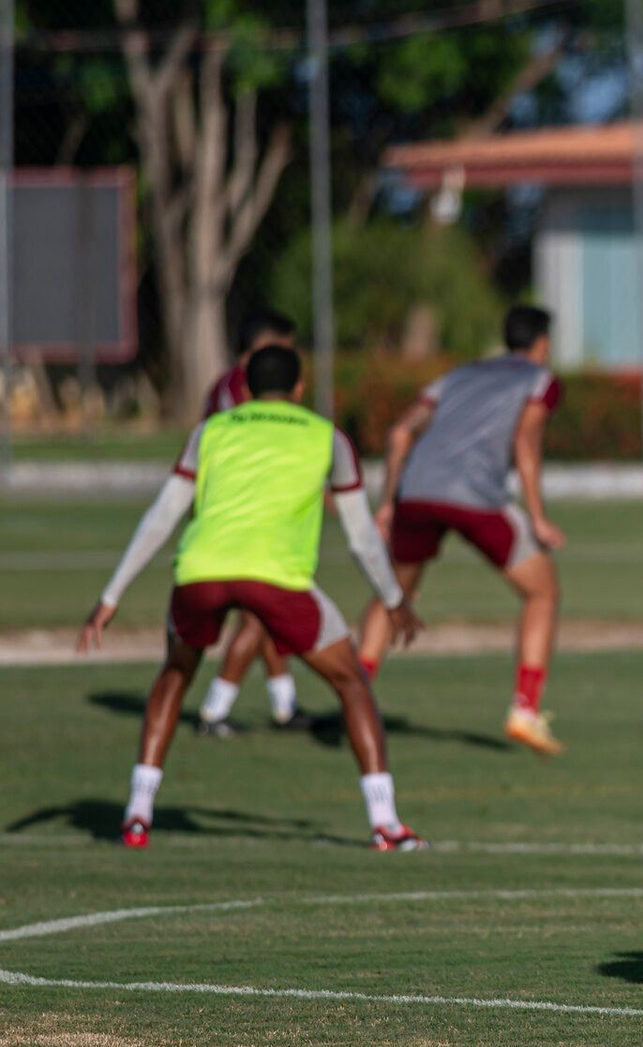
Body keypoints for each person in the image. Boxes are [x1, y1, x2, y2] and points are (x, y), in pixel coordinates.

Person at [78, 346, 426, 850]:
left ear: (242, 389)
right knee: (352, 682)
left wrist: (111, 595)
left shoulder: (212, 431)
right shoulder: (328, 438)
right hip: (277, 580)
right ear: (300, 390)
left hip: (201, 573)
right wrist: (393, 600)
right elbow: (360, 537)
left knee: (175, 675)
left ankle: (137, 814)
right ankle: (386, 823)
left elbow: (162, 515)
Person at [357, 306, 567, 756]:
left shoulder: (456, 376)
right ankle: (525, 711)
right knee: (542, 592)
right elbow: (525, 443)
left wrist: (389, 503)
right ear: (542, 344)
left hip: (418, 492)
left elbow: (399, 433)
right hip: (477, 497)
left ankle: (355, 698)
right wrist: (537, 515)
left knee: (393, 595)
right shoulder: (539, 379)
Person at [196, 308, 308, 736]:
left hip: (228, 510)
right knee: (258, 615)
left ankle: (285, 704)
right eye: (285, 346)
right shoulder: (251, 389)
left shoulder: (223, 384)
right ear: (264, 345)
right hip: (247, 513)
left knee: (264, 612)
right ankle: (214, 711)